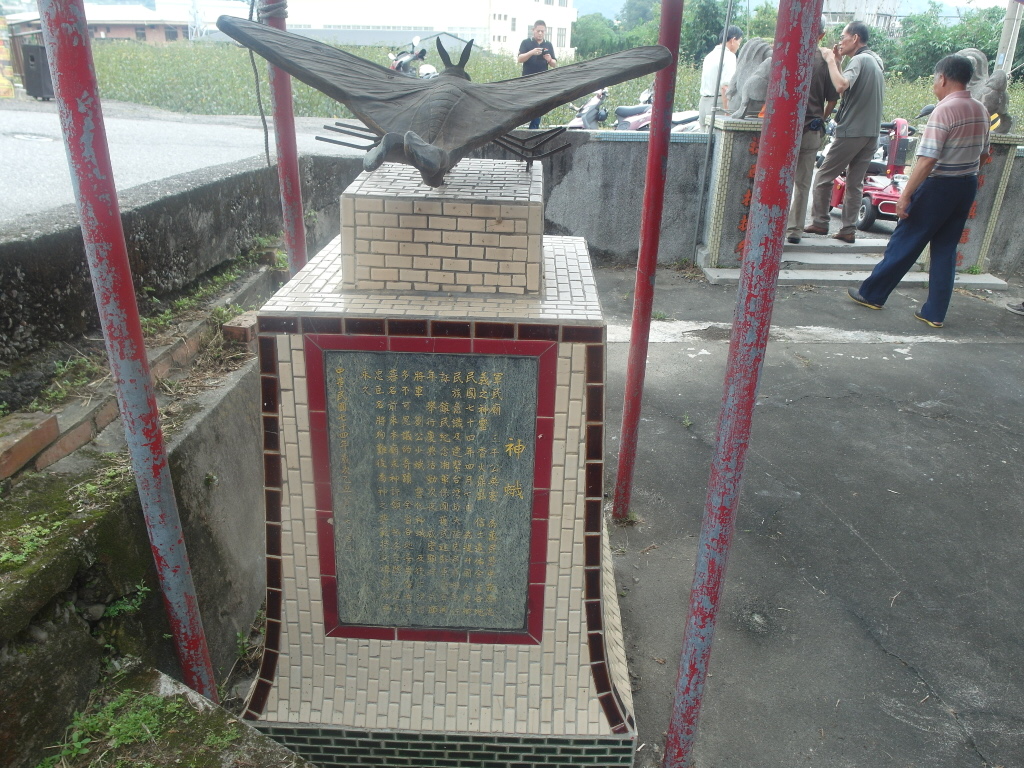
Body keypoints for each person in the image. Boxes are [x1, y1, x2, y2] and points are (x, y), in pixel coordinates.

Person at [848, 54, 990, 328]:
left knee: (906, 240)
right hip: (966, 184)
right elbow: (984, 154)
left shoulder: (944, 110)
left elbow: (927, 160)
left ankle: (872, 294)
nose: (934, 84)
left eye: (935, 79)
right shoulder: (980, 109)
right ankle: (934, 313)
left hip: (938, 186)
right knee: (945, 249)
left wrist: (905, 196)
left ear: (943, 78)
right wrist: (965, 174)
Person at [803, 21, 884, 244]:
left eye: (843, 36)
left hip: (853, 130)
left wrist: (830, 59)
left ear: (855, 38)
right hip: (871, 133)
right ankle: (848, 229)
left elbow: (840, 86)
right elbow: (847, 86)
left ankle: (820, 222)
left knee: (823, 176)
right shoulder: (875, 60)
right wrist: (838, 62)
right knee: (855, 183)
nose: (840, 41)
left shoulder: (859, 60)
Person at [786, 18, 839, 244]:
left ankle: (773, 224)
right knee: (802, 183)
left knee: (780, 179)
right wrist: (821, 118)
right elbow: (833, 99)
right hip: (811, 129)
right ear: (822, 35)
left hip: (784, 130)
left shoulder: (787, 54)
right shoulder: (825, 61)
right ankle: (794, 230)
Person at [698, 26, 743, 131]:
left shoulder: (709, 56)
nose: (738, 45)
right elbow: (725, 87)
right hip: (717, 104)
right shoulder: (729, 56)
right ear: (733, 40)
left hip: (703, 103)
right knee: (718, 139)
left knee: (704, 138)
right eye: (739, 42)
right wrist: (727, 112)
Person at [518, 20, 557, 129]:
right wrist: (532, 52)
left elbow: (554, 64)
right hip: (527, 80)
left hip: (542, 81)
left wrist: (549, 60)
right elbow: (520, 59)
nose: (540, 33)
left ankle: (534, 128)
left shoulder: (548, 44)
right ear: (533, 30)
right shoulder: (526, 43)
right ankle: (518, 125)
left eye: (542, 31)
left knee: (539, 105)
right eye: (538, 31)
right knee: (525, 104)